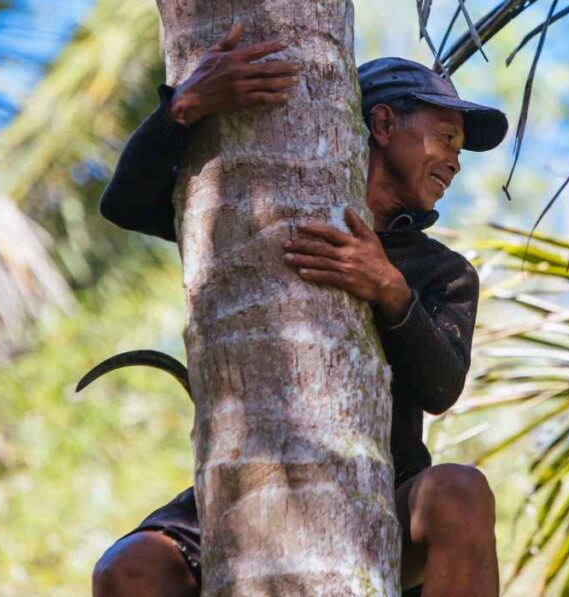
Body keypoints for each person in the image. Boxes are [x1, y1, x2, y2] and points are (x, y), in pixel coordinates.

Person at [91, 22, 508, 597]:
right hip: (253, 482)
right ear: (383, 125)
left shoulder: (442, 270)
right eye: (444, 138)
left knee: (461, 491)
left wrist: (388, 286)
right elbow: (123, 204)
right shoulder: (262, 205)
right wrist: (183, 106)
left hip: (382, 485)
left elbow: (440, 389)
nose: (454, 163)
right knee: (129, 567)